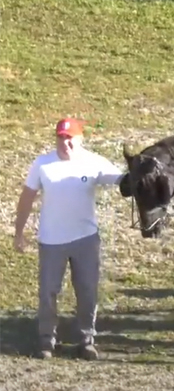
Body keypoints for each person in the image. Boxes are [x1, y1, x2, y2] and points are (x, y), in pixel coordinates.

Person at [13, 118, 126, 360]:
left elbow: (123, 181)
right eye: (61, 137)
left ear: (80, 139)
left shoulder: (94, 163)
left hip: (86, 239)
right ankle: (46, 340)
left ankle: (86, 339)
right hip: (51, 241)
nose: (66, 143)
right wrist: (19, 232)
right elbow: (26, 199)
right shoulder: (43, 164)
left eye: (70, 137)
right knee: (48, 292)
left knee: (87, 290)